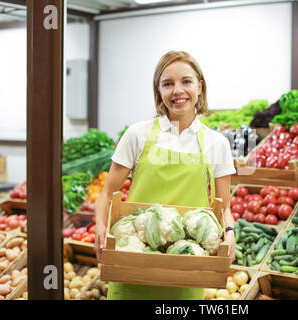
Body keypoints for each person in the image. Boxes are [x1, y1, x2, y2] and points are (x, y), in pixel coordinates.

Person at [94, 50, 236, 300]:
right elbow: (106, 194)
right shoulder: (137, 134)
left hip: (187, 267)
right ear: (158, 90)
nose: (177, 90)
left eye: (186, 81)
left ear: (200, 87)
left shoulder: (217, 143)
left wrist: (231, 233)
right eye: (167, 84)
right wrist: (100, 227)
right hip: (134, 262)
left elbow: (224, 208)